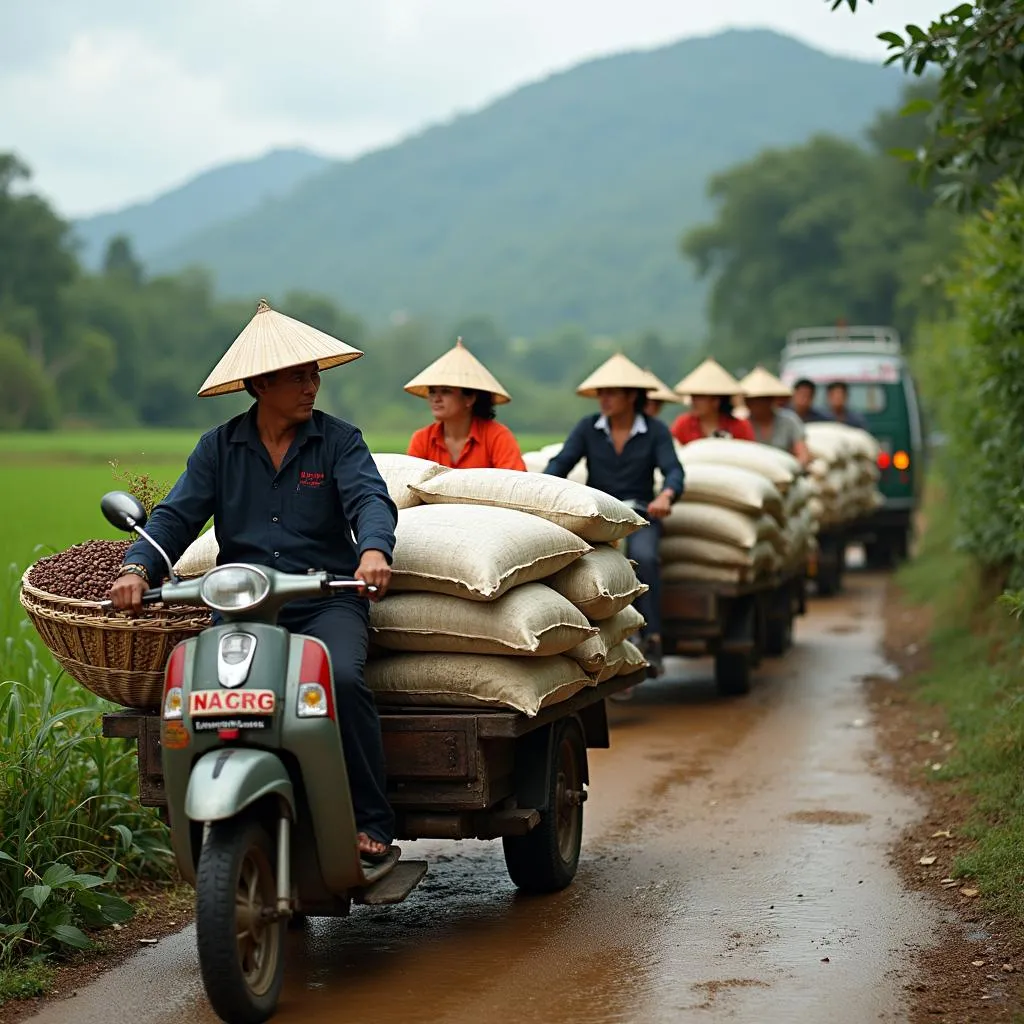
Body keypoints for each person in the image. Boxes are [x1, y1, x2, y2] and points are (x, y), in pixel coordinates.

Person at [108, 299, 398, 863]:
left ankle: (371, 818)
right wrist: (136, 566)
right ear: (261, 384)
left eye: (314, 373)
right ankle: (217, 809)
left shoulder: (339, 441)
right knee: (206, 696)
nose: (313, 384)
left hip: (325, 599)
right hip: (244, 607)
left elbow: (369, 498)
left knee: (337, 677)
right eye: (298, 375)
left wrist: (373, 551)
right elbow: (175, 516)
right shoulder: (218, 448)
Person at [544, 353, 684, 683]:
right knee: (575, 568)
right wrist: (543, 489)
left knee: (645, 558)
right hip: (598, 516)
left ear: (631, 396)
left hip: (639, 514)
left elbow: (674, 470)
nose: (603, 399)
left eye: (611, 392)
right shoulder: (587, 429)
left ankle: (652, 638)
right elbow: (560, 464)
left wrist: (666, 496)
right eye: (601, 393)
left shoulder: (655, 430)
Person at [405, 338, 525, 470]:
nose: (436, 399)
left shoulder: (497, 437)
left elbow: (515, 484)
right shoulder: (422, 439)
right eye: (432, 392)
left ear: (470, 398)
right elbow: (410, 484)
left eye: (446, 392)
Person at [670, 358, 755, 444]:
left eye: (699, 398)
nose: (693, 402)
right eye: (693, 397)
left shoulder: (739, 426)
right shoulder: (683, 424)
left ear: (715, 401)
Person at [739, 367, 811, 465]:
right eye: (749, 400)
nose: (752, 405)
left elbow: (802, 453)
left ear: (770, 400)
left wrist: (794, 468)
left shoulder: (789, 421)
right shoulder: (742, 424)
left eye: (759, 401)